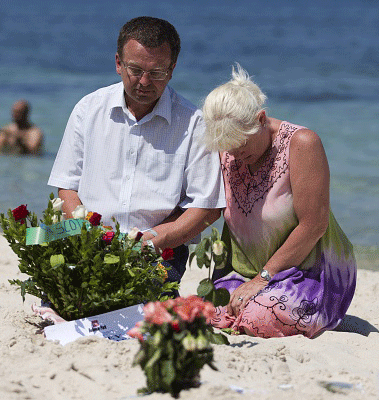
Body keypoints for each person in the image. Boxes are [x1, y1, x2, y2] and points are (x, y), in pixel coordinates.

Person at [48, 16, 225, 285]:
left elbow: (207, 208)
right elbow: (67, 186)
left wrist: (153, 240)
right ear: (118, 63)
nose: (144, 81)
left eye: (156, 73)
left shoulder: (194, 123)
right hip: (86, 235)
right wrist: (89, 233)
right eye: (135, 69)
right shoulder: (88, 109)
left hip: (160, 246)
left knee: (143, 304)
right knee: (57, 289)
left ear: (172, 69)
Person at [202, 64, 357, 338]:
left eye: (241, 143)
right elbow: (206, 210)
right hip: (242, 273)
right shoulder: (228, 149)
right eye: (229, 146)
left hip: (308, 274)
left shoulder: (302, 144)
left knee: (258, 317)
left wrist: (262, 279)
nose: (235, 154)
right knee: (203, 313)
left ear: (261, 119)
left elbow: (314, 225)